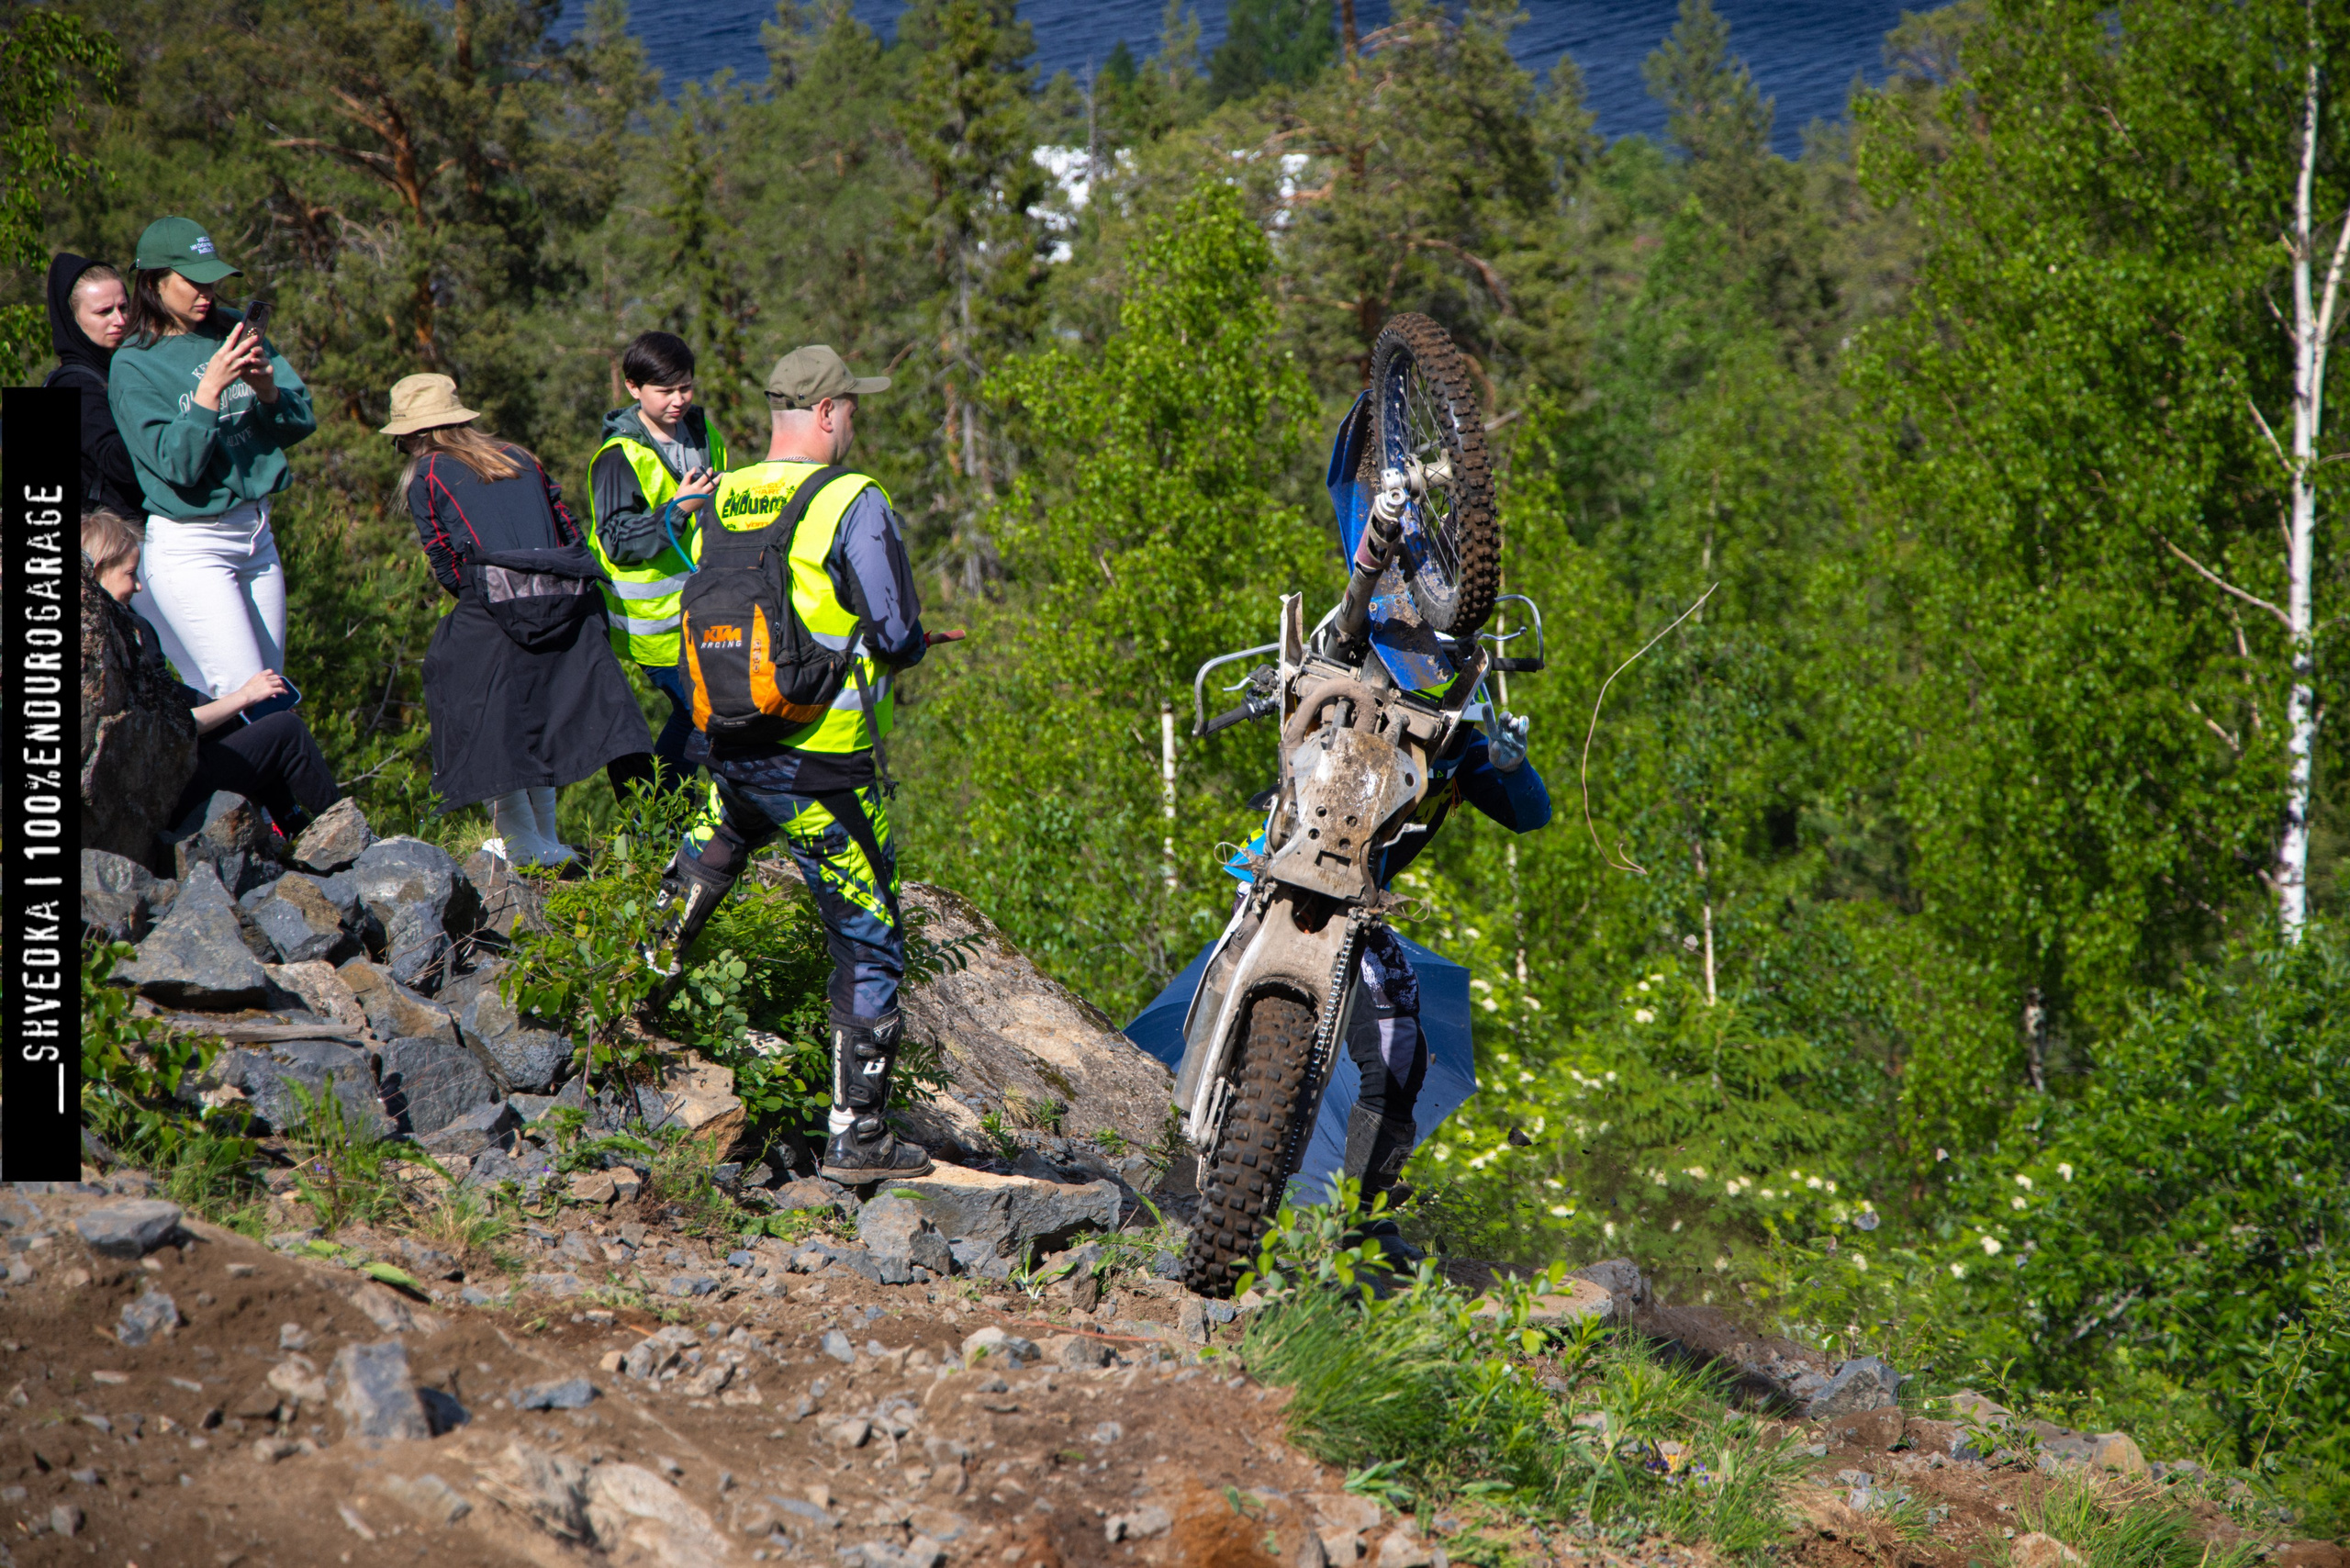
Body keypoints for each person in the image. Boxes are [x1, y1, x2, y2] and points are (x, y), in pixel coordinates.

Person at [646, 344, 964, 1182]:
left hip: (734, 741)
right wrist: (897, 645)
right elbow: (893, 634)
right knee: (868, 936)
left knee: (711, 853)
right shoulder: (851, 498)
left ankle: (631, 994)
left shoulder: (726, 491)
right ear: (825, 413)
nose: (854, 420)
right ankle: (857, 1139)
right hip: (821, 765)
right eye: (851, 407)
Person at [1231, 708, 1550, 1254]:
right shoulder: (1345, 684)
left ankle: (1361, 1217)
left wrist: (1512, 768)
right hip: (1274, 873)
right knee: (1244, 1016)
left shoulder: (1455, 745)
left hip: (1359, 905)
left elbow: (1529, 816)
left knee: (1399, 1047)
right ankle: (1226, 1159)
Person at [380, 374, 654, 868]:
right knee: (537, 706)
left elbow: (445, 561)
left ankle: (520, 837)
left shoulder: (429, 473)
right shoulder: (521, 456)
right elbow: (569, 528)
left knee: (467, 690)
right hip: (565, 603)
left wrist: (489, 600)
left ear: (412, 434)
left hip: (498, 604)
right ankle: (545, 836)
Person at [107, 216, 317, 700]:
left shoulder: (231, 328)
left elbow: (300, 421)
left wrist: (267, 392)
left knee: (273, 694)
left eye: (213, 279)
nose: (208, 292)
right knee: (249, 697)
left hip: (257, 535)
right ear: (154, 281)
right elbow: (176, 466)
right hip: (194, 544)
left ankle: (256, 776)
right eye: (193, 281)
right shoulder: (135, 362)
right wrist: (207, 393)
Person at [83, 509, 341, 836]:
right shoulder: (129, 633)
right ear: (98, 569)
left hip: (153, 779)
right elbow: (173, 727)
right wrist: (244, 696)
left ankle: (290, 825)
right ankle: (341, 832)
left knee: (240, 722)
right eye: (130, 574)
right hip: (171, 785)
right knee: (286, 731)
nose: (137, 586)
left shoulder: (111, 632)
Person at [588, 330, 729, 800]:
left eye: (685, 387)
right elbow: (618, 541)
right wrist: (678, 510)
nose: (678, 400)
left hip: (708, 615)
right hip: (656, 629)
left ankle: (665, 816)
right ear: (633, 388)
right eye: (665, 390)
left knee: (710, 715)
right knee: (702, 715)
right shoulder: (618, 457)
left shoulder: (705, 434)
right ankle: (661, 811)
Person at [45, 253, 142, 517]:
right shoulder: (76, 385)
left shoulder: (107, 372)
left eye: (123, 307)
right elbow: (118, 463)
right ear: (72, 317)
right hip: (112, 545)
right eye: (104, 312)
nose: (120, 321)